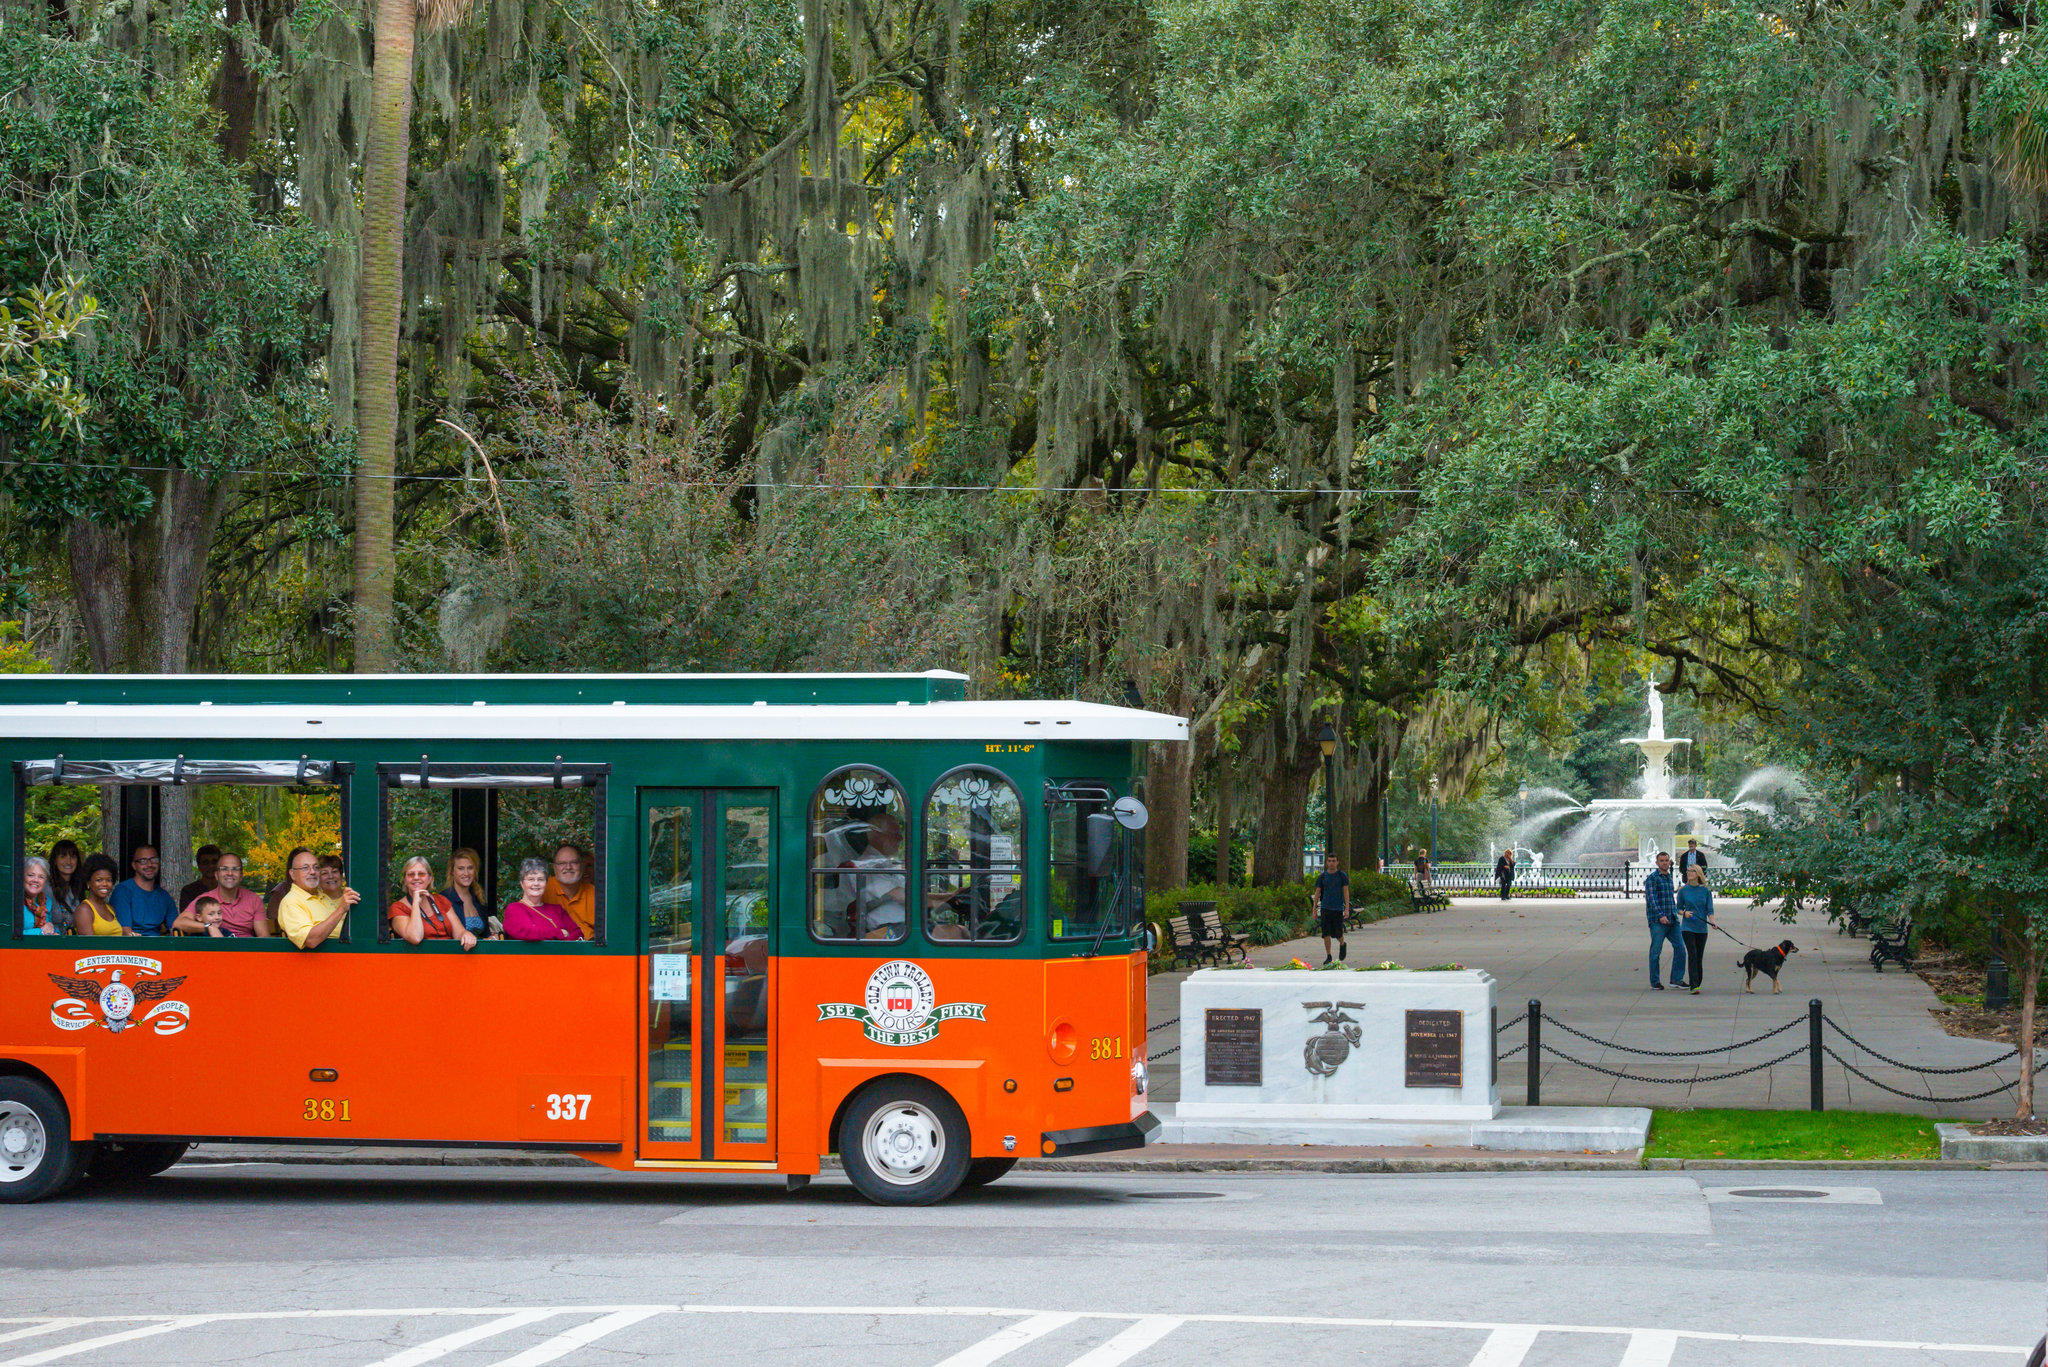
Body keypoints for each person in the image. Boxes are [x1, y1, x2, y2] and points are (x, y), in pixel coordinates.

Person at [277, 847, 359, 950]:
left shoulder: (322, 895)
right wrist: (341, 909)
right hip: (324, 962)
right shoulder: (291, 902)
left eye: (316, 867)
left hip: (353, 954)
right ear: (293, 874)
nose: (312, 872)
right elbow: (311, 940)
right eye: (305, 868)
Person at [390, 856, 477, 949]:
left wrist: (466, 935)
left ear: (430, 878)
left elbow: (459, 932)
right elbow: (415, 937)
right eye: (411, 874)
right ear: (405, 880)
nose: (416, 877)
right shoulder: (398, 908)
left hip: (448, 957)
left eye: (421, 874)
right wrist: (415, 902)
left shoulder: (441, 900)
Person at [181, 852, 266, 937]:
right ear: (216, 875)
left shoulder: (254, 899)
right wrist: (209, 927)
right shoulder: (206, 899)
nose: (229, 873)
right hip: (217, 948)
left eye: (235, 869)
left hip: (247, 948)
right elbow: (179, 923)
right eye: (224, 869)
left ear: (241, 876)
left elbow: (264, 938)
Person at [503, 858, 581, 941]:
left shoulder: (557, 910)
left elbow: (578, 934)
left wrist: (561, 946)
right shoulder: (514, 909)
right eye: (531, 879)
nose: (536, 883)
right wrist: (559, 933)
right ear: (522, 883)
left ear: (546, 883)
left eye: (540, 879)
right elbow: (527, 932)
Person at [110, 845, 178, 936]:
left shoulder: (164, 896)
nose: (149, 864)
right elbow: (125, 932)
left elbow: (175, 930)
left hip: (159, 947)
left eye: (153, 860)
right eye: (143, 861)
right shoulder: (123, 891)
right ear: (134, 865)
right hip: (133, 946)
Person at [1643, 850, 1685, 990]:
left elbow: (1670, 899)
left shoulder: (1668, 877)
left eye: (1666, 860)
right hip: (1658, 921)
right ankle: (1655, 981)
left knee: (1680, 948)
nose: (1665, 863)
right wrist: (1661, 915)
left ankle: (1676, 979)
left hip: (1672, 920)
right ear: (1657, 862)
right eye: (1662, 861)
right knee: (1655, 952)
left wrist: (1676, 913)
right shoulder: (1653, 878)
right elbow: (1651, 900)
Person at [544, 844, 598, 940]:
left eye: (574, 862)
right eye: (562, 863)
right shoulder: (541, 890)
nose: (568, 867)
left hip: (588, 951)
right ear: (554, 867)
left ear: (581, 865)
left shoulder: (596, 894)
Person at [1677, 864, 1716, 994]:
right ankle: (1693, 985)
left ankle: (1697, 982)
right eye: (1688, 871)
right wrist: (1684, 913)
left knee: (1699, 956)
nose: (1689, 873)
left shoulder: (1705, 891)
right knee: (1692, 954)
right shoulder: (1683, 891)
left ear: (1698, 873)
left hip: (1702, 928)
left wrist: (1713, 921)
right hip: (1688, 927)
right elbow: (1678, 908)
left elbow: (1709, 909)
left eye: (1692, 871)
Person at [74, 855, 126, 936]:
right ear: (88, 883)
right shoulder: (84, 910)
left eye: (108, 880)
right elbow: (89, 946)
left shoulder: (110, 908)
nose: (105, 884)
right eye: (99, 880)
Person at [443, 847, 489, 938]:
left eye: (470, 868)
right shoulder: (443, 898)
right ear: (452, 871)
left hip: (480, 951)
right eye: (461, 868)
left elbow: (486, 933)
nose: (466, 873)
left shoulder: (479, 897)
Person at [1312, 854, 1350, 964]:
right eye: (1329, 861)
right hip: (1325, 908)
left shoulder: (1342, 876)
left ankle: (1342, 944)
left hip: (1337, 908)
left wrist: (1346, 908)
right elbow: (1317, 892)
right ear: (1327, 863)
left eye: (1334, 861)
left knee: (1338, 934)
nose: (1331, 863)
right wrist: (1314, 909)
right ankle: (1328, 955)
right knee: (1326, 933)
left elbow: (1346, 892)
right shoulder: (1322, 877)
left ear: (1337, 862)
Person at [46, 840, 84, 922]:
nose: (68, 862)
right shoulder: (47, 888)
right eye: (63, 856)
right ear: (55, 861)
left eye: (72, 857)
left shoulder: (79, 887)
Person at [20, 856, 58, 936]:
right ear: (22, 877)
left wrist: (54, 931)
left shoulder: (47, 901)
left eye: (41, 877)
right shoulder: (14, 900)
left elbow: (51, 929)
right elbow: (8, 935)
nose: (36, 880)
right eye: (31, 875)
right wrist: (40, 932)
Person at [177, 844, 221, 910]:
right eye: (206, 863)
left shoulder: (229, 890)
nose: (211, 866)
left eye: (214, 862)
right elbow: (185, 919)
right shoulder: (189, 892)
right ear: (199, 866)